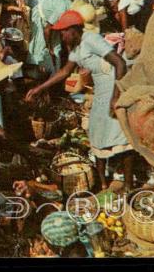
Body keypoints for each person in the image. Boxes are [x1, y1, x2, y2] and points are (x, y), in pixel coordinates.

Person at [26, 10, 133, 192]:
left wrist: (116, 96)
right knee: (96, 135)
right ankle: (103, 183)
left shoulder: (91, 40)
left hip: (115, 87)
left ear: (74, 30)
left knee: (120, 136)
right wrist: (39, 88)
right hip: (101, 92)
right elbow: (65, 72)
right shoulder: (77, 49)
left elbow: (120, 64)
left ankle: (129, 185)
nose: (62, 36)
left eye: (64, 32)